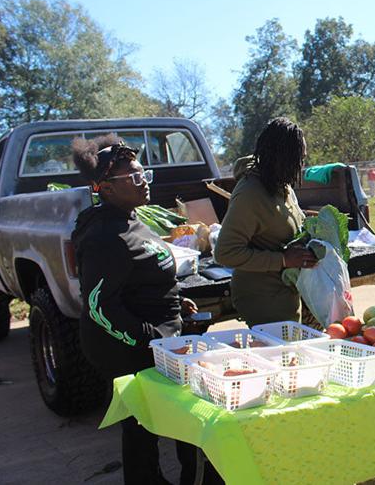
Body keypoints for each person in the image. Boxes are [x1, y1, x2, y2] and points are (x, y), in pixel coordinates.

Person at [71, 136, 217, 484]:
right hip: (131, 348)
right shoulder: (106, 235)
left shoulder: (130, 219)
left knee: (146, 423)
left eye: (144, 174)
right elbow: (100, 306)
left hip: (160, 340)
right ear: (105, 188)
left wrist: (175, 300)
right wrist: (148, 340)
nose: (144, 183)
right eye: (133, 178)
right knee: (143, 424)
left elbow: (141, 277)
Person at [214, 118, 318, 326]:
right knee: (280, 356)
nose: (302, 166)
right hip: (263, 299)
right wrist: (283, 260)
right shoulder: (250, 193)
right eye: (299, 159)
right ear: (282, 158)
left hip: (286, 292)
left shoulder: (281, 185)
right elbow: (225, 252)